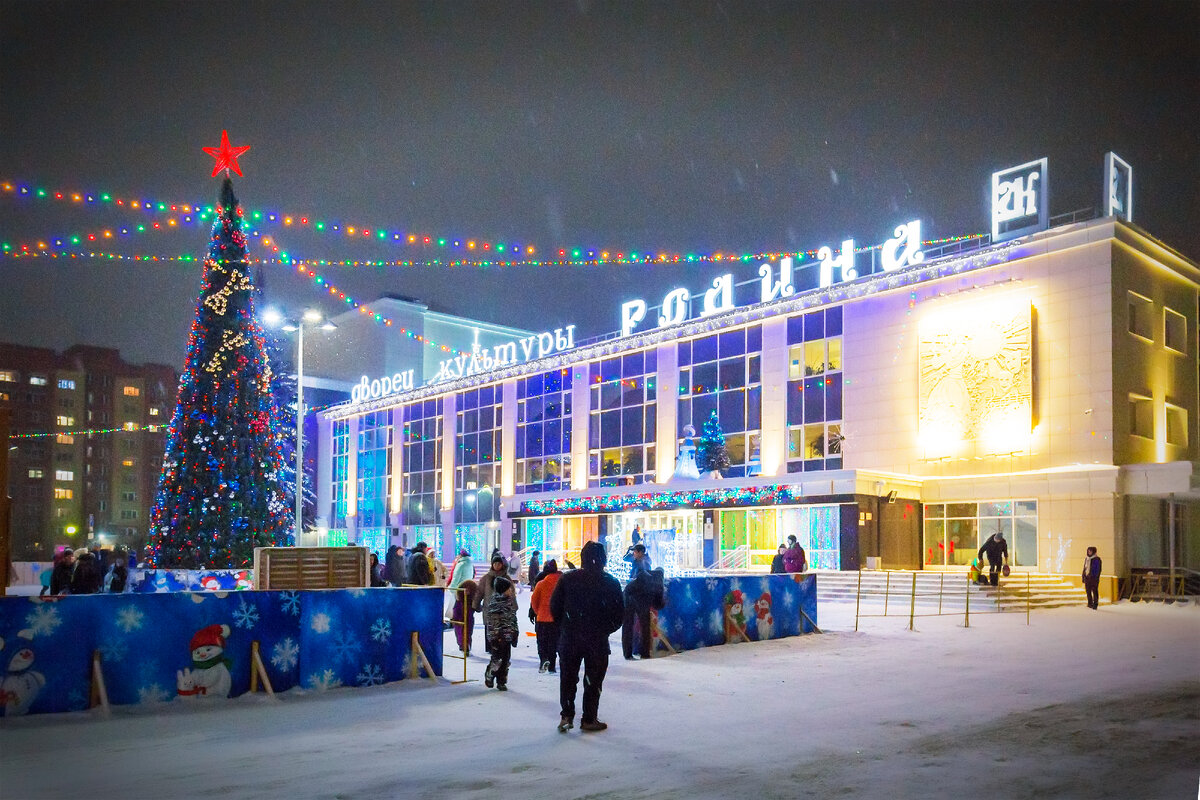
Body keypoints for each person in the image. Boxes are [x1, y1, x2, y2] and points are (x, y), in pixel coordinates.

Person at [549, 540, 624, 733]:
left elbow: (554, 607)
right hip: (596, 641)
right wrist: (603, 629)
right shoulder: (610, 582)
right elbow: (619, 614)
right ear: (603, 559)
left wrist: (566, 626)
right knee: (594, 679)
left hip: (570, 638)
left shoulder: (567, 579)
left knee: (567, 677)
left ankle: (566, 714)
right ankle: (589, 718)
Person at [483, 576, 519, 691]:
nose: (511, 591)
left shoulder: (509, 603)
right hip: (498, 638)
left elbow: (513, 619)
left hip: (508, 636)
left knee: (506, 660)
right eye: (509, 589)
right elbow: (493, 622)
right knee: (497, 659)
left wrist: (515, 632)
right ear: (502, 590)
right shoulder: (495, 603)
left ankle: (501, 681)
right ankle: (490, 674)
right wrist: (496, 636)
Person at [529, 559, 561, 673]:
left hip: (542, 618)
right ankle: (552, 665)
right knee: (554, 642)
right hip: (557, 619)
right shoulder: (562, 582)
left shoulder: (541, 583)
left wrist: (539, 612)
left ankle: (543, 660)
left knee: (542, 641)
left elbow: (534, 601)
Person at [473, 554, 510, 653]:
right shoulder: (486, 578)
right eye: (495, 563)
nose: (497, 566)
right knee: (489, 628)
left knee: (501, 628)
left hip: (503, 609)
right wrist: (475, 605)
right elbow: (479, 592)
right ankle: (490, 647)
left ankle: (500, 647)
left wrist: (512, 607)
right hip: (489, 608)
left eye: (499, 563)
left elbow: (511, 594)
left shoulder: (506, 578)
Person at [450, 579, 478, 653]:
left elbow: (477, 607)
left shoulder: (472, 599)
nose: (467, 591)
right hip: (459, 618)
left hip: (469, 618)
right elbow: (456, 611)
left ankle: (466, 646)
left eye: (469, 589)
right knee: (460, 632)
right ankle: (462, 645)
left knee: (468, 632)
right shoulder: (459, 600)